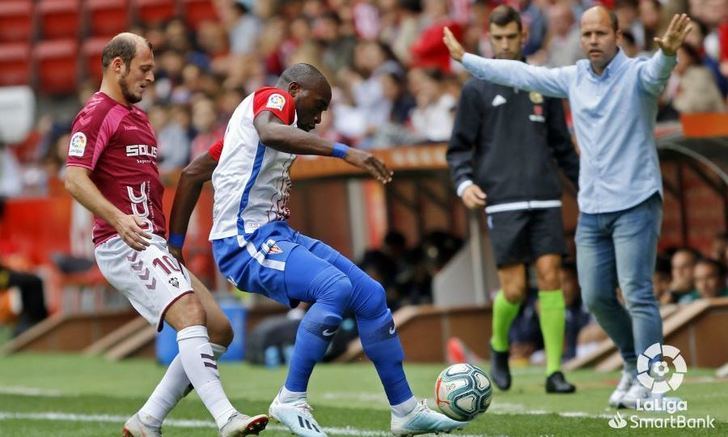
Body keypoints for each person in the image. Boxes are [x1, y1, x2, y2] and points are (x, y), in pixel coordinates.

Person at [167, 63, 468, 437]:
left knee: (370, 295)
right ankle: (290, 398)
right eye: (318, 103)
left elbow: (193, 172)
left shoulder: (242, 128)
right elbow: (270, 131)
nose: (320, 115)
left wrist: (175, 245)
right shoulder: (270, 100)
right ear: (294, 90)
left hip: (275, 233)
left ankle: (404, 410)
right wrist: (344, 152)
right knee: (334, 287)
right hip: (242, 241)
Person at [443, 9, 693, 409]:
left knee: (637, 293)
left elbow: (657, 76)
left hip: (635, 202)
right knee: (595, 297)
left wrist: (667, 55)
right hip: (593, 209)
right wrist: (465, 59)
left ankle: (655, 385)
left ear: (617, 35)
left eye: (600, 32)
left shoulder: (637, 74)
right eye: (586, 33)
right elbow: (518, 75)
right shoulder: (573, 77)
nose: (593, 40)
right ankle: (632, 367)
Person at [63, 33, 268, 437]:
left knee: (220, 329)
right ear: (116, 65)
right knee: (190, 315)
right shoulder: (95, 114)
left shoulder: (137, 117)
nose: (152, 77)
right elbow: (74, 179)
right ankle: (227, 418)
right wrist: (119, 219)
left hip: (150, 241)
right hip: (123, 241)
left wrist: (169, 242)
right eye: (144, 69)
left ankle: (147, 420)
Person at [447, 5, 579, 394]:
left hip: (545, 197)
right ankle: (498, 345)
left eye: (511, 37)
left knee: (552, 278)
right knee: (515, 290)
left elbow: (562, 146)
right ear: (489, 39)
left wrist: (586, 185)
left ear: (524, 36)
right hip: (502, 200)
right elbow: (458, 149)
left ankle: (555, 371)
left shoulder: (543, 82)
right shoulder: (476, 87)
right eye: (497, 38)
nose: (504, 44)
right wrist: (463, 183)